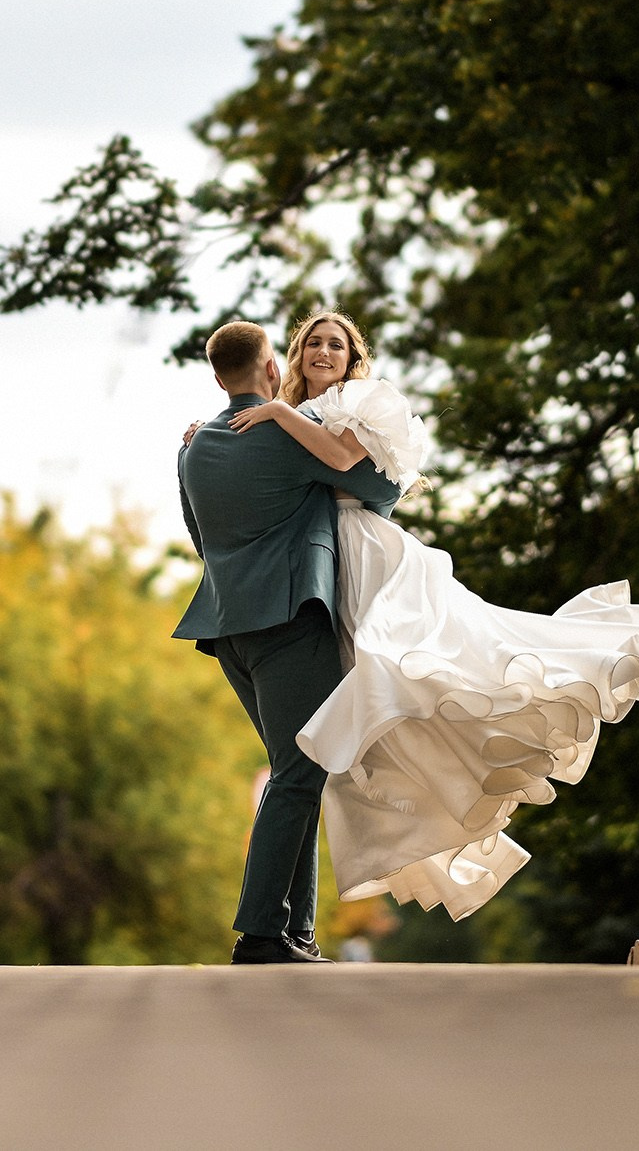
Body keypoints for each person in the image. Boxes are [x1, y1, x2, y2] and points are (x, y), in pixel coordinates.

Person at [215, 310, 639, 921]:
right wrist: (220, 429)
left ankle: (609, 661)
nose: (324, 352)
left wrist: (273, 413)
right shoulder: (283, 418)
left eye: (337, 344)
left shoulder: (356, 403)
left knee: (422, 670)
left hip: (366, 559)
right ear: (294, 357)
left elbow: (343, 465)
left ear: (353, 358)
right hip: (321, 577)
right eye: (313, 344)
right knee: (353, 735)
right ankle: (299, 913)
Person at [175, 319, 405, 964]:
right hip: (287, 622)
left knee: (294, 768)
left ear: (217, 377)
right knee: (302, 771)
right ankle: (259, 933)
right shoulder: (282, 437)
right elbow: (383, 490)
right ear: (274, 370)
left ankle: (292, 931)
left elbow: (201, 534)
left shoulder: (194, 447)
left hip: (226, 631)